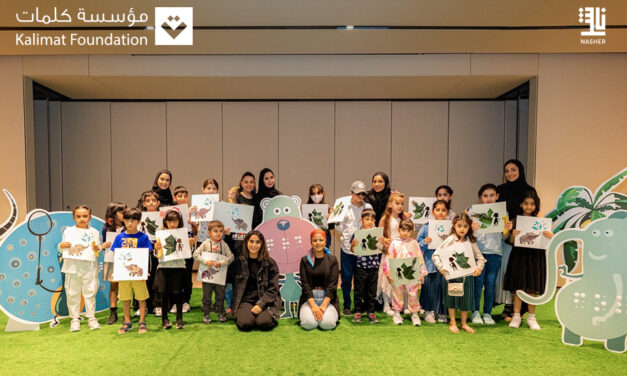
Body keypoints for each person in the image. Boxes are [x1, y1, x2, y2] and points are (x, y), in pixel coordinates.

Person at [504, 191, 553, 330]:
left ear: (536, 205)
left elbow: (547, 239)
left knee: (532, 287)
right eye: (526, 203)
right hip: (519, 256)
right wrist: (513, 234)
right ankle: (516, 316)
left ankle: (532, 317)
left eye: (532, 204)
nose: (529, 206)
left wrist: (550, 235)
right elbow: (511, 241)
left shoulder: (541, 220)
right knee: (518, 288)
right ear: (521, 204)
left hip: (535, 257)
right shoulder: (515, 220)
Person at [496, 159, 536, 319]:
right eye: (506, 170)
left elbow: (534, 209)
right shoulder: (500, 190)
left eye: (513, 169)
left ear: (520, 170)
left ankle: (520, 308)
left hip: (524, 239)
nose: (509, 173)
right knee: (507, 271)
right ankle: (508, 306)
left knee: (521, 273)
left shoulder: (529, 189)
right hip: (506, 237)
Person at [433, 213, 486, 334]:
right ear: (454, 226)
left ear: (469, 227)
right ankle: (452, 322)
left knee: (466, 299)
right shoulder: (450, 239)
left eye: (465, 226)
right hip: (452, 275)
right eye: (459, 226)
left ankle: (463, 323)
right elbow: (436, 254)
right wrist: (441, 268)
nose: (462, 229)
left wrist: (479, 268)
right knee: (452, 297)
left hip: (467, 277)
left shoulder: (470, 241)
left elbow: (481, 258)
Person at [469, 184, 513, 325]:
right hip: (478, 252)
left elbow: (505, 237)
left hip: (495, 252)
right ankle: (475, 311)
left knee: (490, 283)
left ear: (497, 196)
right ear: (480, 198)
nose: (489, 198)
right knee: (478, 282)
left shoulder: (503, 213)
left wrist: (507, 229)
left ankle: (487, 313)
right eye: (485, 196)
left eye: (492, 195)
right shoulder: (472, 212)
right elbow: (466, 233)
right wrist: (472, 228)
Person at [58, 205, 102, 332]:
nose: (82, 219)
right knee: (72, 292)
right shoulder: (68, 231)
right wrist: (61, 246)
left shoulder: (94, 232)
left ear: (89, 216)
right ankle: (75, 319)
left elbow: (97, 249)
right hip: (72, 266)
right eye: (78, 216)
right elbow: (62, 248)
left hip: (89, 266)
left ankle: (91, 318)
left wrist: (98, 248)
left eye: (85, 216)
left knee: (90, 291)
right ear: (74, 217)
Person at [111, 208, 153, 334]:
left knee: (141, 298)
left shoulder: (143, 237)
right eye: (127, 220)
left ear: (139, 222)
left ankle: (142, 322)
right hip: (124, 275)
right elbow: (116, 256)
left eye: (133, 220)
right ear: (123, 220)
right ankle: (127, 321)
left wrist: (145, 271)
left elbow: (147, 255)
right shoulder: (119, 237)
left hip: (138, 274)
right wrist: (116, 271)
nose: (130, 223)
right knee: (125, 298)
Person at [335, 180, 372, 316]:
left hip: (363, 249)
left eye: (363, 194)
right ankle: (346, 304)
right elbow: (339, 228)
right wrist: (348, 237)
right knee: (346, 278)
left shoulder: (368, 206)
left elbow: (371, 224)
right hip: (347, 249)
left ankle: (359, 305)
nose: (361, 197)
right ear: (351, 193)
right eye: (358, 194)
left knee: (361, 279)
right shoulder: (344, 206)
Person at [231, 230, 281, 331]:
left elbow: (273, 289)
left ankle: (264, 317)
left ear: (262, 244)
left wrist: (260, 304)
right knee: (246, 324)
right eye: (251, 241)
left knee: (263, 323)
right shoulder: (238, 262)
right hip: (245, 301)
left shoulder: (270, 263)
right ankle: (248, 316)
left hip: (266, 301)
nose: (254, 245)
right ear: (246, 243)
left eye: (257, 242)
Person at [153, 209, 194, 329]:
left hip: (179, 266)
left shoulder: (183, 234)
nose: (172, 224)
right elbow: (157, 254)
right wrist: (156, 248)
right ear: (165, 221)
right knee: (164, 293)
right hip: (164, 267)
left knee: (178, 293)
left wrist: (190, 245)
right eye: (169, 221)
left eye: (175, 221)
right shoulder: (160, 234)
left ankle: (179, 318)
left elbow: (188, 253)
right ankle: (164, 319)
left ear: (179, 222)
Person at [383, 219, 427, 326]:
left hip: (412, 273)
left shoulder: (414, 243)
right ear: (399, 229)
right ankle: (397, 313)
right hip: (397, 273)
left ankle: (415, 314)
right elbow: (389, 257)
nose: (405, 232)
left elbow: (419, 257)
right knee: (397, 293)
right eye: (403, 229)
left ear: (412, 231)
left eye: (408, 230)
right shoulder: (394, 243)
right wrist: (388, 273)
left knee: (413, 293)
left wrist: (421, 273)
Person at [193, 220, 234, 324]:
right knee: (206, 296)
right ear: (209, 232)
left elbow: (231, 257)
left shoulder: (224, 245)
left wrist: (221, 263)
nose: (218, 233)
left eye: (221, 231)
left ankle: (220, 313)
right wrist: (206, 262)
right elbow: (195, 254)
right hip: (207, 277)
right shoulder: (205, 244)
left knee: (220, 296)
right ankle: (206, 314)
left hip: (220, 277)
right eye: (215, 231)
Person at [298, 229, 340, 330]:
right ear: (311, 242)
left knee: (327, 324)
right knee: (309, 324)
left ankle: (323, 316)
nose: (318, 243)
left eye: (321, 240)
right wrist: (313, 307)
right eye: (314, 240)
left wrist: (323, 307)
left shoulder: (332, 260)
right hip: (309, 299)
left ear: (325, 242)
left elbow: (332, 285)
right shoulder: (304, 261)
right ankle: (313, 316)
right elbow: (305, 285)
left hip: (328, 299)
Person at [417, 200, 450, 324]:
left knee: (443, 287)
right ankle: (427, 310)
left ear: (447, 212)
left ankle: (441, 311)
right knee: (429, 287)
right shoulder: (426, 227)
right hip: (430, 263)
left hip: (445, 263)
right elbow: (417, 246)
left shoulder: (451, 227)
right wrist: (425, 242)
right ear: (433, 211)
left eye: (443, 210)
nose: (440, 213)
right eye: (438, 210)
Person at [378, 192, 411, 316]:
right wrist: (384, 245)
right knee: (388, 279)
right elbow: (379, 239)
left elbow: (409, 235)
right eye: (397, 203)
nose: (400, 206)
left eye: (402, 204)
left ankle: (404, 304)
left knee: (404, 278)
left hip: (402, 253)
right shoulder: (385, 219)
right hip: (389, 253)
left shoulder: (405, 219)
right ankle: (387, 304)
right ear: (390, 204)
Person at [349, 208, 382, 323]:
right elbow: (352, 250)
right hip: (361, 266)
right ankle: (358, 311)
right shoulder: (357, 233)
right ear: (361, 220)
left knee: (371, 290)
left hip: (374, 266)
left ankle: (371, 312)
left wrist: (382, 243)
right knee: (359, 289)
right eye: (367, 219)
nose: (369, 221)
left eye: (372, 219)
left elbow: (382, 249)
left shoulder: (377, 233)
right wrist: (353, 245)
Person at [100, 201, 126, 325]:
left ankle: (127, 313)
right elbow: (105, 243)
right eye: (121, 211)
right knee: (113, 286)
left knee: (127, 286)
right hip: (112, 258)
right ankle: (113, 312)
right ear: (113, 214)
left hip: (126, 259)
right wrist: (103, 245)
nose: (124, 213)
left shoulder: (128, 225)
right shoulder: (106, 227)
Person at [137, 190, 161, 316]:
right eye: (148, 201)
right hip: (142, 251)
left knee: (157, 279)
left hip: (158, 250)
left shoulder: (162, 216)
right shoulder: (138, 217)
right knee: (141, 278)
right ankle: (141, 306)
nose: (151, 203)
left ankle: (157, 305)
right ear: (144, 203)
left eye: (153, 200)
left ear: (158, 202)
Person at [172, 185, 193, 314]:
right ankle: (175, 301)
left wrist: (192, 222)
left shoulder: (191, 211)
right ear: (174, 198)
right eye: (180, 196)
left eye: (185, 196)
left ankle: (186, 301)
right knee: (175, 276)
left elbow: (195, 231)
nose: (183, 198)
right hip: (173, 247)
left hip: (187, 246)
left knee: (187, 274)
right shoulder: (169, 212)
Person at [307, 183, 333, 247]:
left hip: (324, 238)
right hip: (310, 238)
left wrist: (330, 219)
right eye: (313, 193)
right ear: (310, 195)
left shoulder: (328, 208)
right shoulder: (306, 209)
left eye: (318, 193)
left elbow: (331, 227)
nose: (316, 196)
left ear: (322, 194)